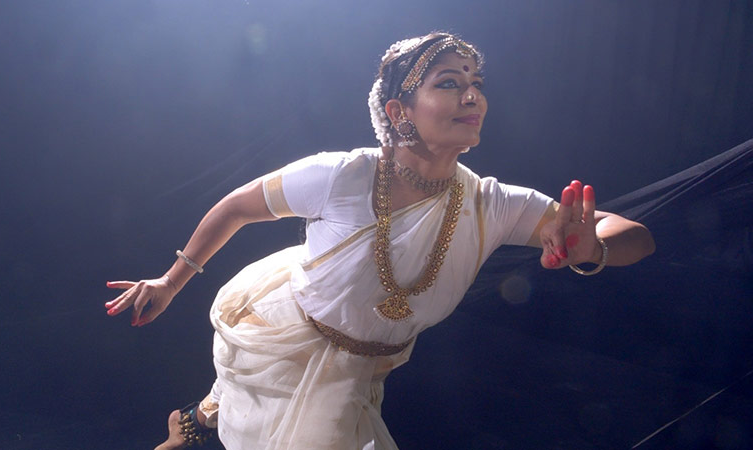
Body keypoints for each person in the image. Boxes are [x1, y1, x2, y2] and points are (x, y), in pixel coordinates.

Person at [105, 32, 655, 450]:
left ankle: (192, 423)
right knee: (260, 393)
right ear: (399, 113)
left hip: (371, 362)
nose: (472, 96)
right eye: (448, 83)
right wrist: (170, 282)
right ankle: (196, 424)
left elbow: (636, 236)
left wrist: (594, 248)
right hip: (293, 325)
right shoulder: (340, 176)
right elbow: (235, 208)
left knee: (241, 399)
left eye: (475, 84)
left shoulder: (494, 203)